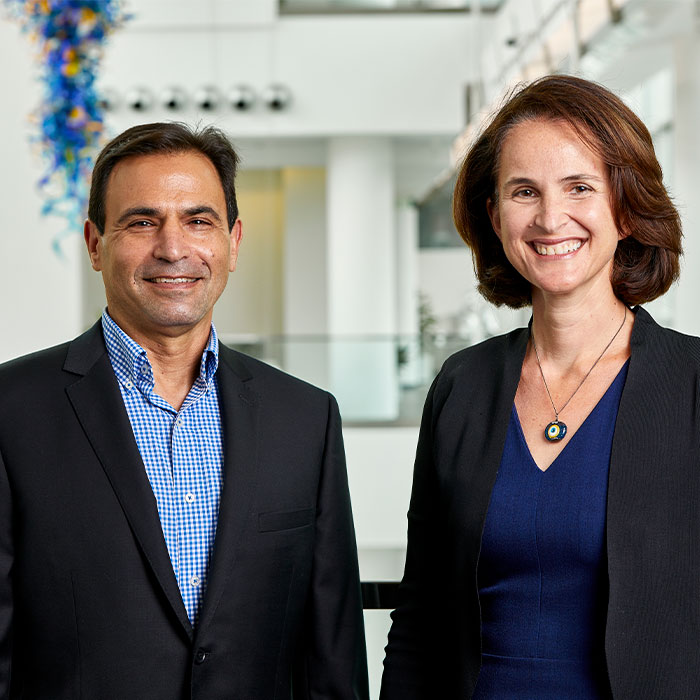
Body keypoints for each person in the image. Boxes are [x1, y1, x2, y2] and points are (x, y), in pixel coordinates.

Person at [0, 122, 369, 699]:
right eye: (142, 222)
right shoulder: (12, 411)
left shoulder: (306, 419)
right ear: (95, 243)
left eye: (199, 221)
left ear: (233, 242)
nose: (174, 248)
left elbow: (332, 654)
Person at [380, 75, 700, 699]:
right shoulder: (462, 385)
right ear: (495, 217)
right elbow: (420, 611)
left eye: (580, 187)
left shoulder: (691, 387)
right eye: (524, 191)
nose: (551, 218)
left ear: (626, 209)